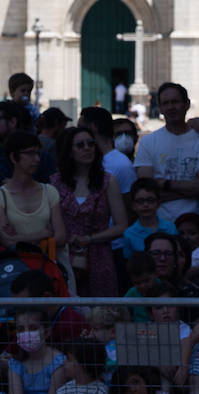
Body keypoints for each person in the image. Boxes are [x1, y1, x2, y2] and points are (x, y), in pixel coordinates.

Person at [51, 125, 128, 296]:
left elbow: (121, 225)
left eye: (91, 144)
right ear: (69, 152)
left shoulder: (108, 182)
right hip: (64, 255)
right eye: (80, 145)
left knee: (102, 314)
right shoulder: (55, 183)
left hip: (99, 256)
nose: (87, 148)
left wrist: (90, 239)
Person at [134, 82, 199, 221]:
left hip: (196, 224)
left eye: (175, 102)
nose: (171, 107)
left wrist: (164, 184)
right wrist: (192, 190)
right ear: (160, 108)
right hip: (159, 225)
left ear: (187, 104)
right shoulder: (148, 142)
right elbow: (146, 191)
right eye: (165, 103)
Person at [0, 131, 66, 258]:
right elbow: (8, 241)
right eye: (30, 153)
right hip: (17, 270)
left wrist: (19, 238)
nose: (37, 159)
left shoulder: (49, 192)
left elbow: (61, 237)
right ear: (13, 157)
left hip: (49, 270)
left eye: (38, 153)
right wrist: (44, 233)